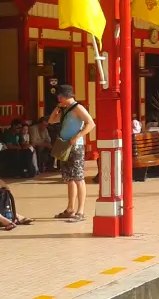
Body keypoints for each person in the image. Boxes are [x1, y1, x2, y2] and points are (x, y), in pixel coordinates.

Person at [48, 84, 95, 223]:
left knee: (78, 178)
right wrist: (57, 108)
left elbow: (91, 123)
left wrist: (77, 136)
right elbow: (51, 120)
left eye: (59, 96)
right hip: (65, 145)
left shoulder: (78, 108)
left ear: (64, 96)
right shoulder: (65, 109)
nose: (58, 98)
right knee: (69, 178)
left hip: (76, 146)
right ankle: (70, 209)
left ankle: (80, 211)